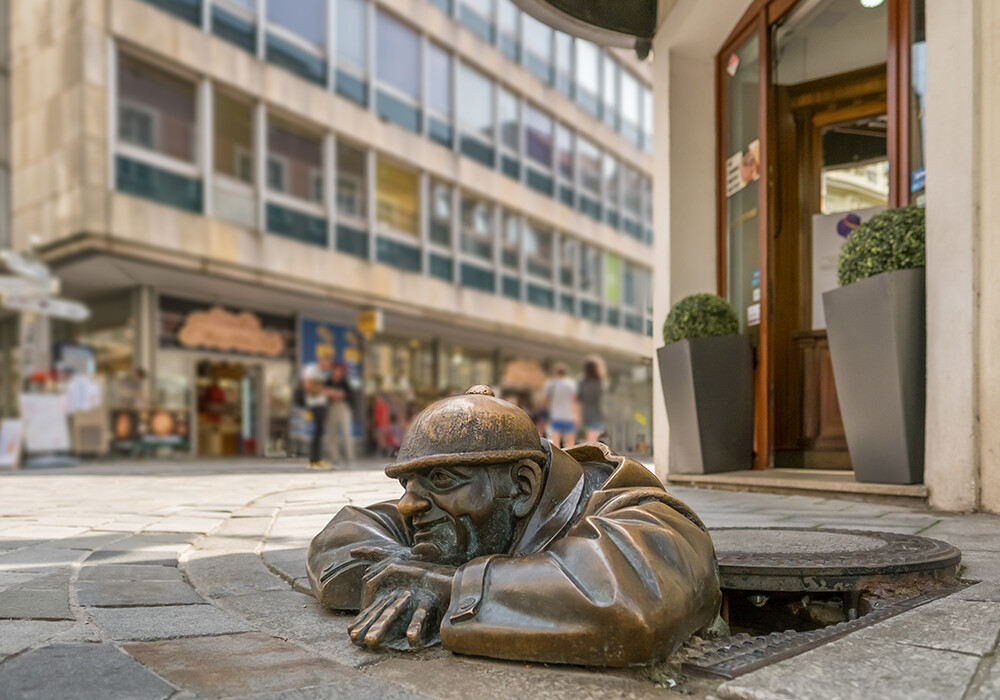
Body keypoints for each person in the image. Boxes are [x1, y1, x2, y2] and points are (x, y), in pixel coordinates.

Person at [306, 386, 722, 667]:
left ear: (522, 486)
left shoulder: (636, 509)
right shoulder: (434, 514)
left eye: (442, 481)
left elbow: (631, 602)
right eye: (407, 485)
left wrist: (447, 586)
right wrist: (395, 574)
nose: (408, 505)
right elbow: (344, 533)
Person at [323, 359, 356, 466]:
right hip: (331, 408)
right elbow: (323, 396)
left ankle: (349, 456)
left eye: (339, 371)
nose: (337, 373)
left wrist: (342, 395)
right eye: (335, 370)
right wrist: (330, 395)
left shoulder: (344, 383)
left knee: (346, 433)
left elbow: (350, 397)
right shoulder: (327, 382)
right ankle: (334, 456)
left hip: (343, 408)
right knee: (331, 434)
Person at [301, 363, 330, 470]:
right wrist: (324, 391)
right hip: (315, 405)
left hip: (320, 405)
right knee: (317, 433)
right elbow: (308, 385)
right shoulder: (311, 369)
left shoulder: (320, 373)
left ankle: (316, 460)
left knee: (319, 433)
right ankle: (314, 461)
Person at [542, 362, 576, 448]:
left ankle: (557, 460)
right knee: (569, 443)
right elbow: (574, 400)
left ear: (555, 372)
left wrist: (546, 411)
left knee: (556, 443)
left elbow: (545, 401)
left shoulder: (550, 384)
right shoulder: (570, 384)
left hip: (555, 416)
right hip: (568, 416)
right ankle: (570, 459)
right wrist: (576, 415)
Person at [577, 357, 605, 444]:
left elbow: (579, 398)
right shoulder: (599, 382)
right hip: (596, 413)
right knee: (592, 439)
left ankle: (588, 455)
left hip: (585, 412)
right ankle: (591, 456)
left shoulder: (582, 381)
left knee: (588, 438)